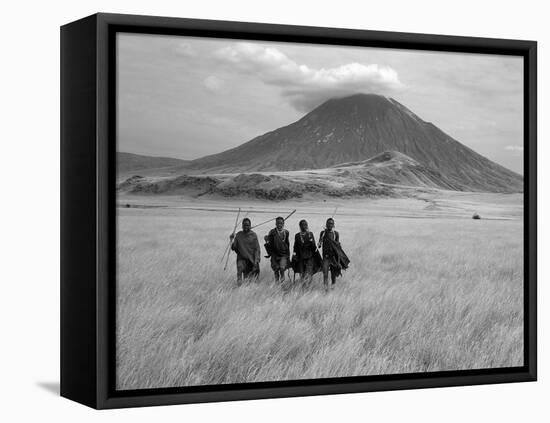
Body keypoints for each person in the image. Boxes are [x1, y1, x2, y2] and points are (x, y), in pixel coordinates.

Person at [319, 218, 350, 291]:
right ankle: (325, 290)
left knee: (333, 274)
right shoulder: (323, 233)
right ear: (326, 224)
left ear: (333, 225)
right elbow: (319, 245)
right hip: (326, 257)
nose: (330, 225)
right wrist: (320, 242)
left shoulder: (336, 233)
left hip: (333, 257)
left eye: (331, 223)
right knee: (325, 274)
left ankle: (333, 288)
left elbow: (337, 247)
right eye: (328, 223)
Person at [230, 218, 261, 284]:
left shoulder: (253, 235)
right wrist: (231, 239)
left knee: (249, 280)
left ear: (250, 226)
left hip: (251, 260)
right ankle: (239, 286)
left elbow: (257, 249)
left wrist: (256, 261)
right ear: (242, 226)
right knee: (239, 271)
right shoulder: (238, 235)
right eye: (244, 225)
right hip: (241, 259)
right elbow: (234, 247)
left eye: (247, 225)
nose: (246, 227)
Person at [292, 219, 322, 287]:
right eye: (303, 225)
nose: (304, 226)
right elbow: (295, 246)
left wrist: (311, 241)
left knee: (308, 273)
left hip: (309, 257)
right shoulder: (297, 235)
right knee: (302, 273)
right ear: (300, 226)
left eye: (306, 224)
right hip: (301, 257)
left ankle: (308, 286)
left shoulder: (310, 234)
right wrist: (294, 255)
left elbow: (314, 246)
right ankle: (304, 287)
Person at [264, 217, 290, 283]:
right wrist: (266, 239)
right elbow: (269, 243)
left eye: (281, 223)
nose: (279, 225)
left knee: (282, 268)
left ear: (283, 224)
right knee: (276, 269)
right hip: (275, 254)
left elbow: (287, 244)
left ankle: (282, 283)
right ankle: (277, 284)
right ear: (275, 224)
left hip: (283, 254)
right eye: (278, 223)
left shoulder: (286, 232)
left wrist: (288, 255)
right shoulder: (272, 232)